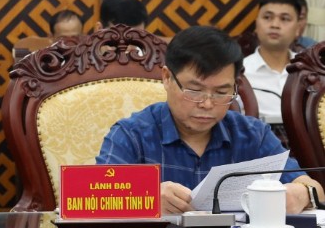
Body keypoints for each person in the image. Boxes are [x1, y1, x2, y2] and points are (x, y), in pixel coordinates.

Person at [97, 26, 321, 215]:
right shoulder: (131, 134)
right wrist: (147, 198)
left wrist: (301, 195)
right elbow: (95, 197)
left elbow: (314, 188)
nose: (206, 104)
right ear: (166, 78)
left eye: (221, 92)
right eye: (194, 90)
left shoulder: (253, 135)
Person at [243, 0, 302, 125]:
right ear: (256, 25)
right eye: (267, 17)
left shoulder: (310, 70)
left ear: (298, 28)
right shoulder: (240, 72)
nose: (275, 24)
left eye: (284, 19)